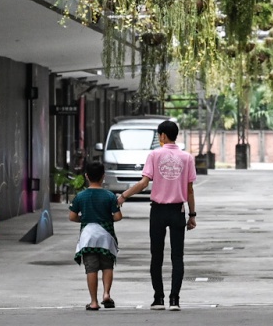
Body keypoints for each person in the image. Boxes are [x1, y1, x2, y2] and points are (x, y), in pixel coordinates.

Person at [118, 119, 196, 311]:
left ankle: (158, 299)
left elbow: (144, 183)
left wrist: (123, 196)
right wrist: (192, 215)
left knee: (157, 256)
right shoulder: (187, 158)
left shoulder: (154, 155)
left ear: (162, 136)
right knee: (177, 256)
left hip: (158, 211)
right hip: (178, 210)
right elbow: (190, 190)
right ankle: (175, 300)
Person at [69, 159, 124, 311]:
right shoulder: (109, 196)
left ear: (86, 176)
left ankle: (93, 302)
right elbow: (118, 216)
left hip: (88, 237)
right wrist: (107, 218)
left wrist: (85, 219)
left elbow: (72, 217)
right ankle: (106, 294)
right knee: (107, 266)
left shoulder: (80, 196)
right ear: (103, 176)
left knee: (91, 269)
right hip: (106, 237)